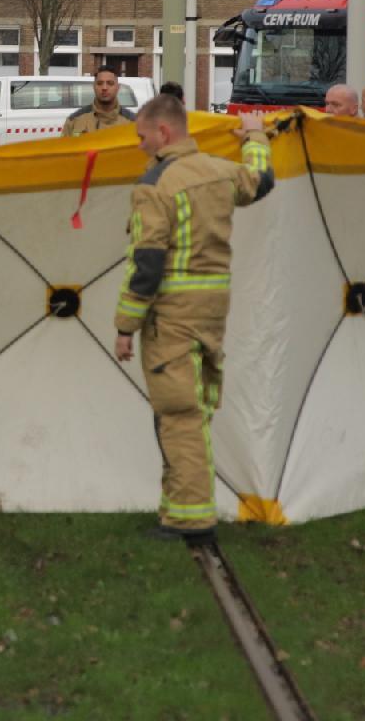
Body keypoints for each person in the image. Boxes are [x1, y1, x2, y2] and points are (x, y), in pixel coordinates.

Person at [113, 95, 273, 542]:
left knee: (177, 413)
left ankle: (190, 520)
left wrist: (125, 326)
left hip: (172, 315)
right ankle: (179, 509)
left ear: (164, 132)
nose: (141, 145)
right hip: (213, 309)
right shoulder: (221, 171)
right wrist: (255, 136)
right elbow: (261, 181)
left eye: (142, 136)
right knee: (196, 408)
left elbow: (146, 264)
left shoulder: (155, 184)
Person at [62, 66, 137, 136]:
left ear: (118, 87)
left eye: (110, 83)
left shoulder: (133, 122)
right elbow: (62, 148)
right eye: (99, 83)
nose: (104, 87)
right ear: (94, 87)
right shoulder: (74, 121)